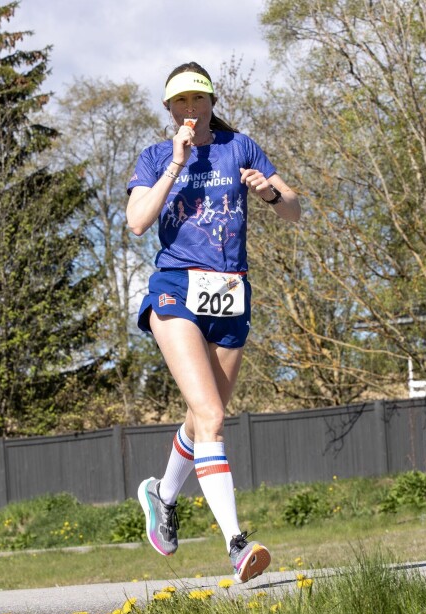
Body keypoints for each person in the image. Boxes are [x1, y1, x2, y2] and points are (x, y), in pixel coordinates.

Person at [126, 61, 301, 582]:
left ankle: (162, 493)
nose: (190, 110)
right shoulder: (155, 156)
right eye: (180, 102)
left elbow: (293, 209)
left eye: (198, 100)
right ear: (169, 109)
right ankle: (236, 543)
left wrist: (268, 193)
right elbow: (137, 222)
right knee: (212, 415)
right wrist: (175, 166)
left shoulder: (239, 147)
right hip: (176, 290)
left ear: (210, 103)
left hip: (229, 292)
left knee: (207, 415)